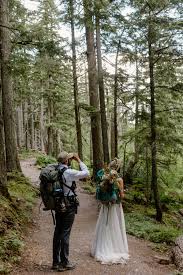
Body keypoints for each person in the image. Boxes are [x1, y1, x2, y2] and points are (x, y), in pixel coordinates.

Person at [52, 151, 89, 271]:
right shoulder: (68, 172)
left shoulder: (55, 170)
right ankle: (65, 262)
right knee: (65, 233)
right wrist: (78, 160)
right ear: (67, 161)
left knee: (58, 231)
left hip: (58, 204)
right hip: (68, 205)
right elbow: (86, 173)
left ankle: (55, 262)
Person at [91, 158, 129, 264]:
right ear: (118, 168)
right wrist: (122, 192)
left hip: (105, 205)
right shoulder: (119, 179)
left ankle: (101, 248)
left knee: (104, 224)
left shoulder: (104, 177)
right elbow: (122, 196)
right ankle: (114, 248)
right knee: (114, 226)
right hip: (115, 206)